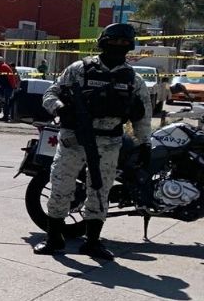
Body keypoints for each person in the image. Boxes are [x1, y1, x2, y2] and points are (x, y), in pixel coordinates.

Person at [33, 23, 152, 260]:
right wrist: (59, 109)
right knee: (61, 187)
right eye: (113, 42)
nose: (118, 47)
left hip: (109, 143)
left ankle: (93, 242)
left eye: (123, 43)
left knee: (100, 190)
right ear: (103, 42)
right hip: (74, 139)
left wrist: (145, 143)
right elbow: (50, 94)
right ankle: (54, 237)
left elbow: (143, 114)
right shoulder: (79, 69)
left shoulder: (133, 79)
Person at [0, 57, 19, 122]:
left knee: (6, 102)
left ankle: (5, 117)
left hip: (8, 86)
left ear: (1, 62)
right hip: (3, 86)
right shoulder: (1, 66)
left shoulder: (3, 66)